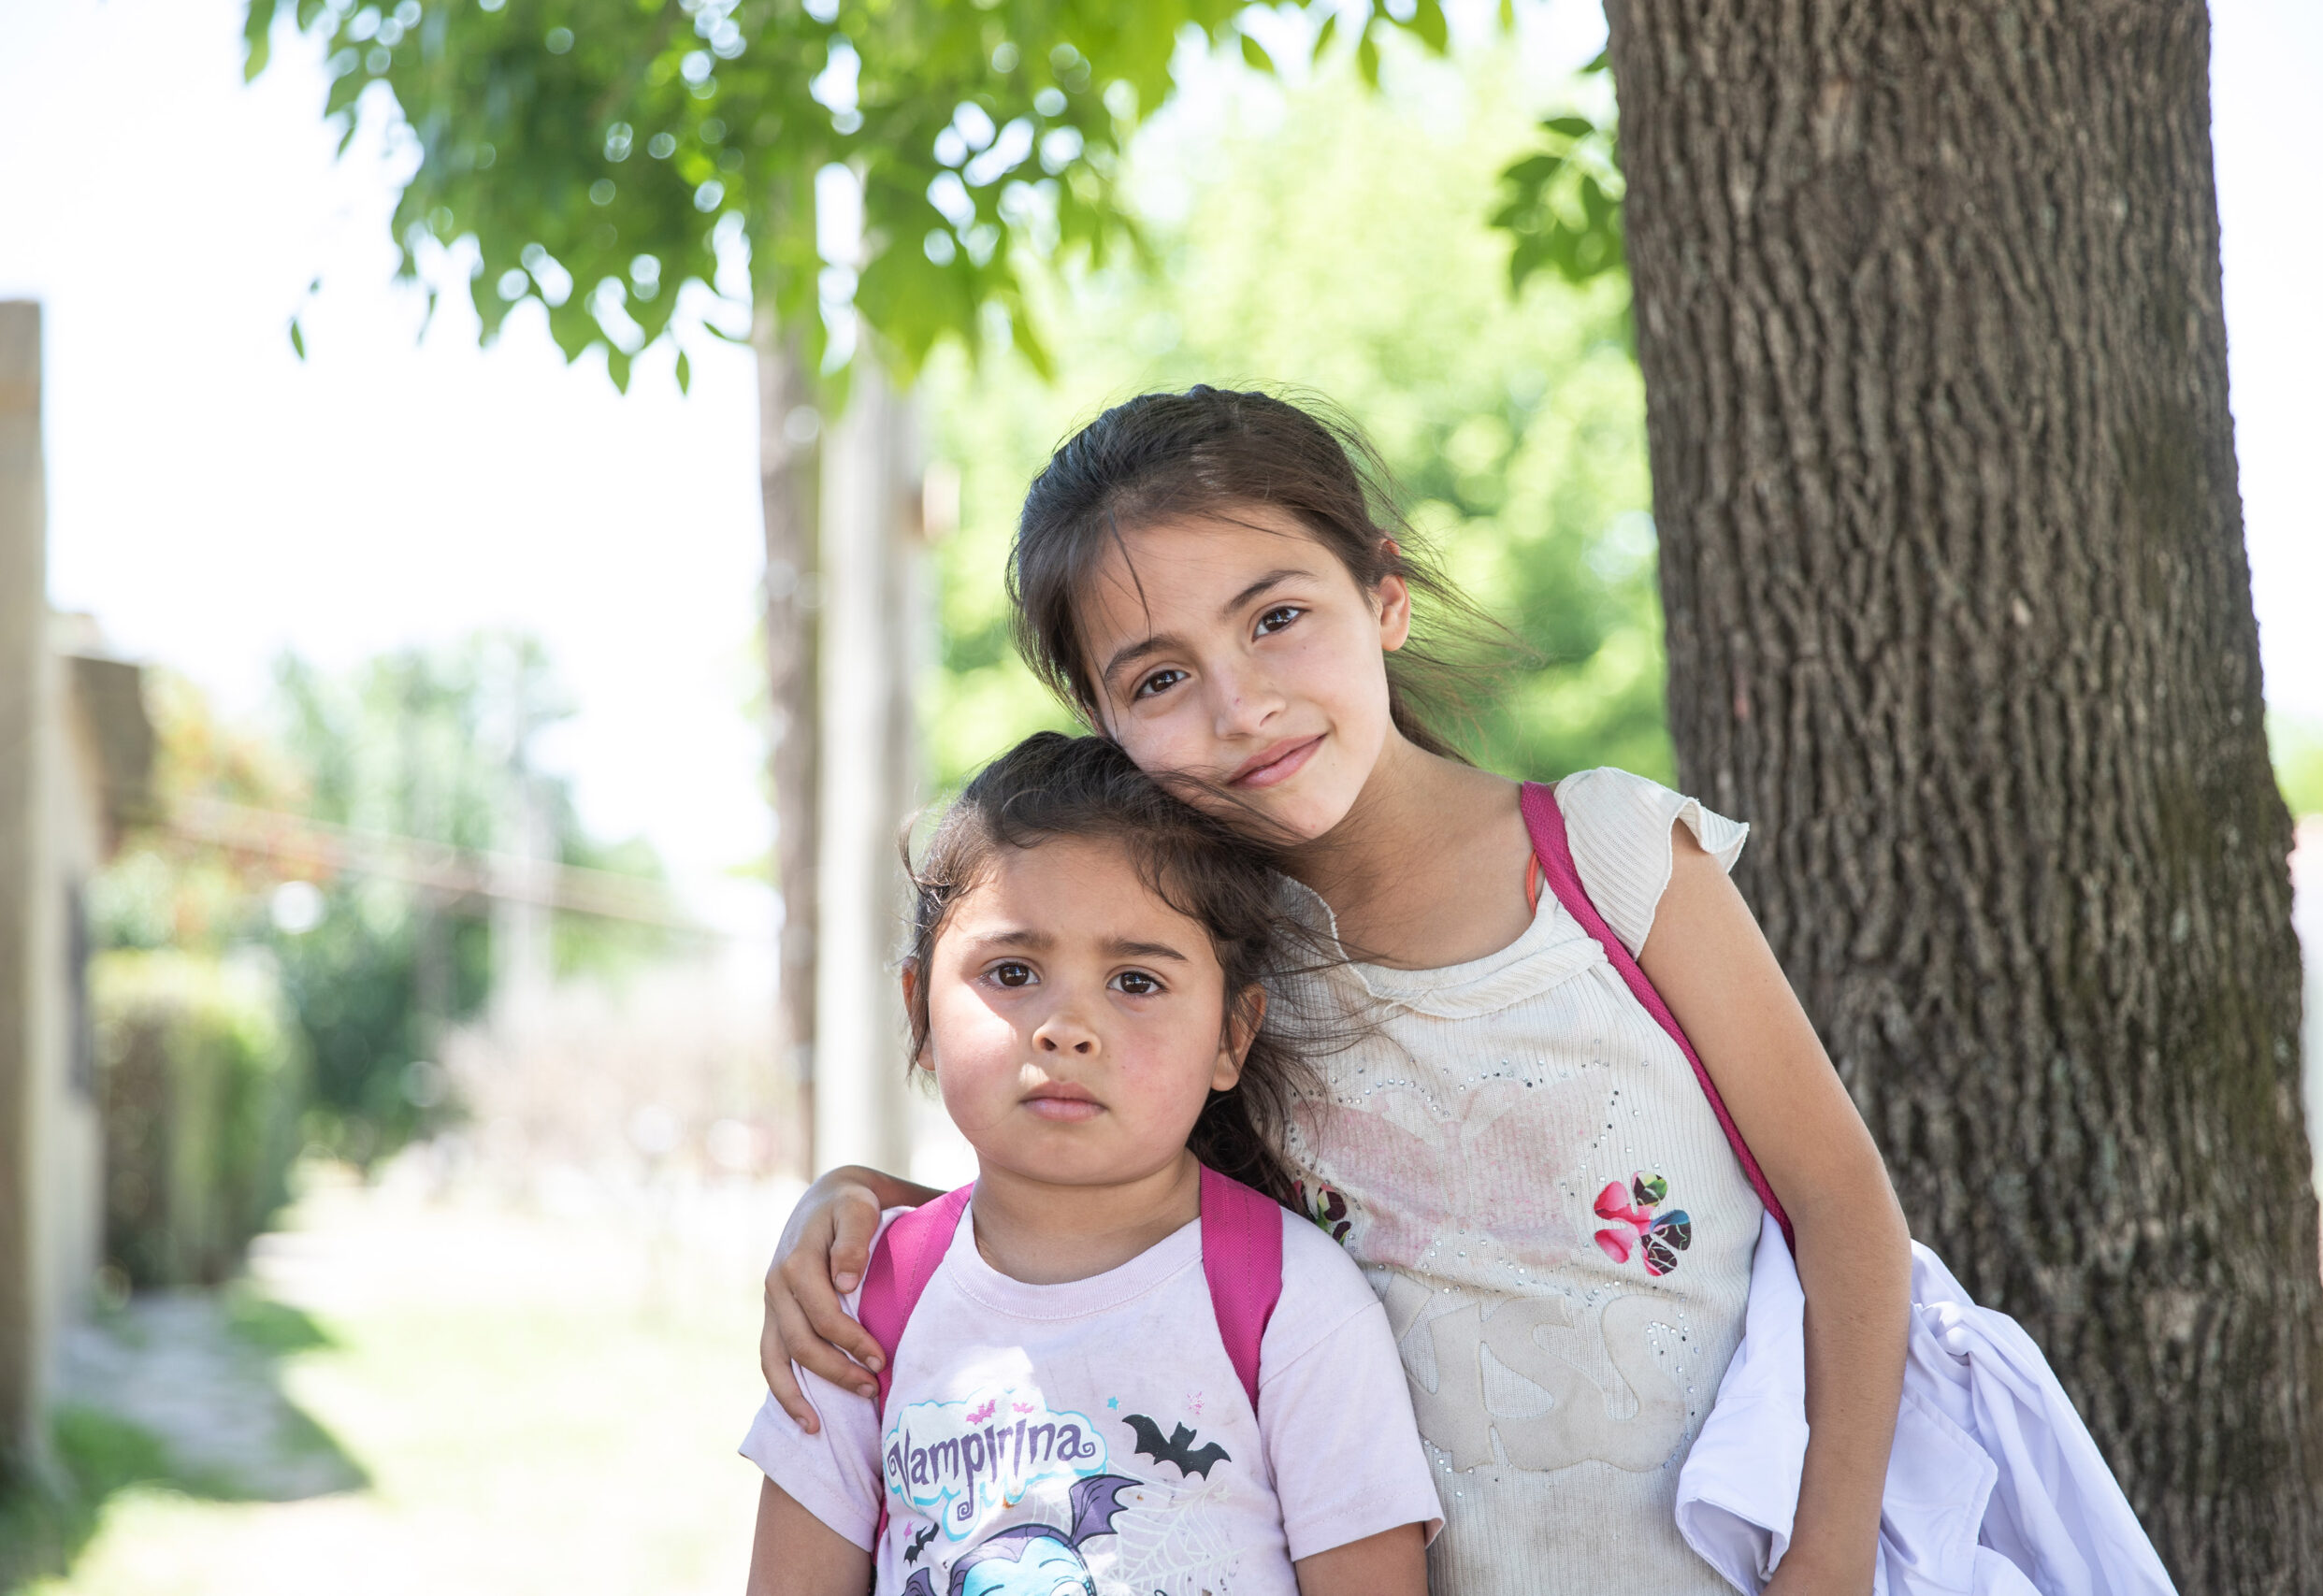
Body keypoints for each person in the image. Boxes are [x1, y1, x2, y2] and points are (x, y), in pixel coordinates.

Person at [761, 387, 1914, 1595]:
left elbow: (1841, 1201)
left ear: (1386, 594)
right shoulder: (1208, 975)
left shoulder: (1606, 858)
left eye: (1277, 617)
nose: (1238, 703)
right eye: (1159, 679)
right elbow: (1103, 1190)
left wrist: (1826, 1560)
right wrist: (860, 1201)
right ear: (1103, 723)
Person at [743, 731, 1442, 1596]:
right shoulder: (856, 1303)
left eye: (1136, 982)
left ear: (1231, 1034)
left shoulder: (1292, 1304)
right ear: (919, 1010)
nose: (1066, 1026)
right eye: (1011, 970)